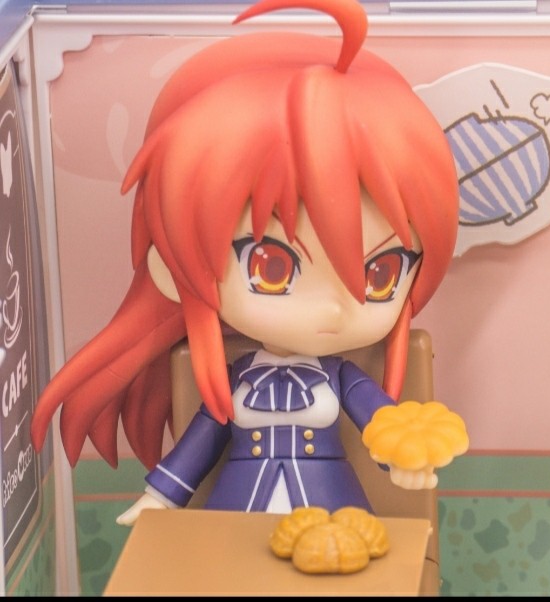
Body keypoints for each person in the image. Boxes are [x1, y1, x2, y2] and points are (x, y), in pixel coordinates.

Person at [30, 0, 466, 523]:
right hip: (236, 519)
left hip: (332, 517)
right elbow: (196, 449)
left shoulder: (345, 379)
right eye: (272, 269)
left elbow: (384, 428)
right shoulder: (233, 382)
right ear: (173, 267)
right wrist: (157, 498)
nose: (333, 308)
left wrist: (403, 462)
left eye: (381, 275)